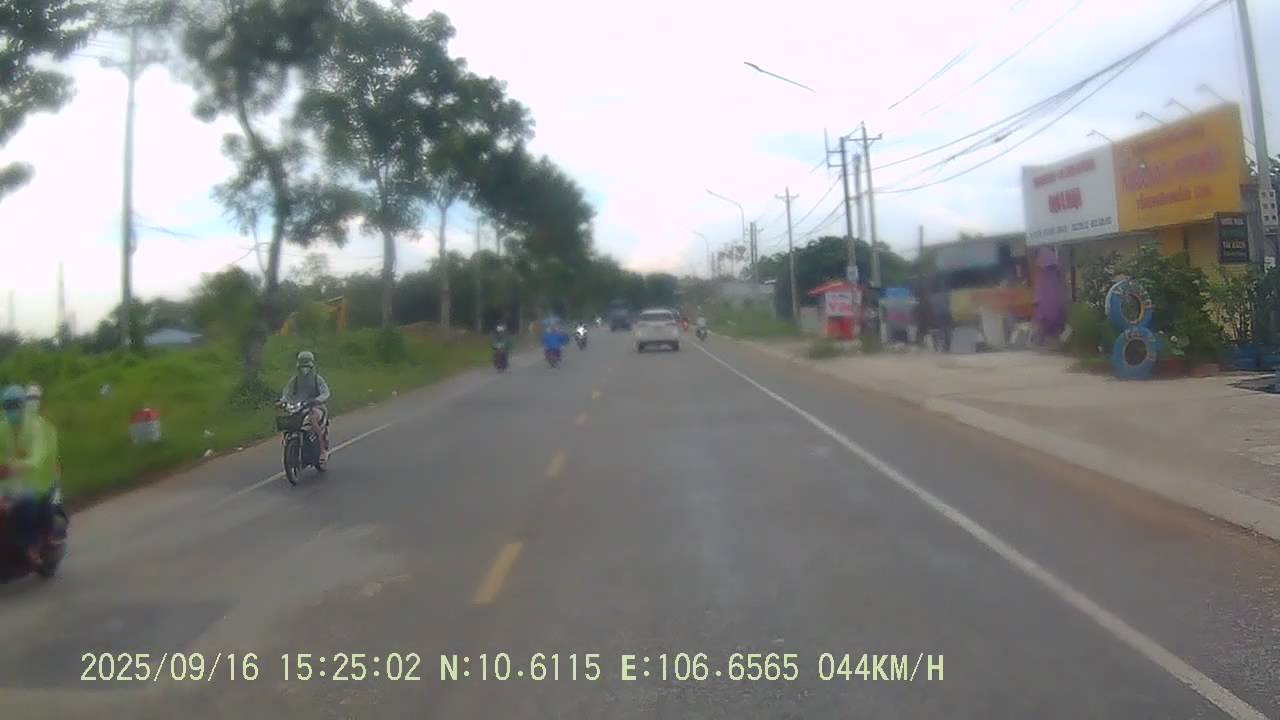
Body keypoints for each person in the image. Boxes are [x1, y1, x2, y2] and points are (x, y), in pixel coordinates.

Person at [0, 385, 57, 566]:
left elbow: (39, 454)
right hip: (8, 481)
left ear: (23, 405)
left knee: (30, 500)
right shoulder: (2, 428)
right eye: (8, 406)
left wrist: (20, 466)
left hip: (36, 476)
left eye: (15, 405)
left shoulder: (35, 426)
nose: (11, 409)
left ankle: (32, 545)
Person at [280, 351, 331, 465]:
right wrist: (282, 401)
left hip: (316, 407)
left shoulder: (317, 379)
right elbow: (287, 393)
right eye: (302, 366)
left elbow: (326, 392)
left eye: (307, 366)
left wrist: (317, 400)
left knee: (313, 421)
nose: (304, 369)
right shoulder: (295, 380)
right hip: (299, 407)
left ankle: (322, 450)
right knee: (290, 422)